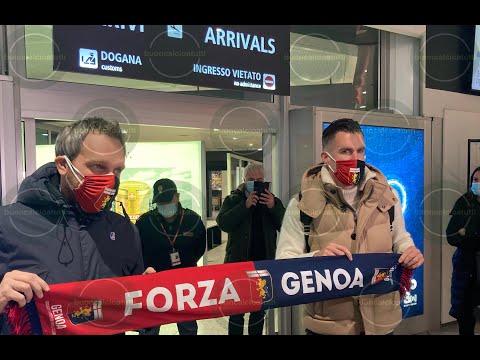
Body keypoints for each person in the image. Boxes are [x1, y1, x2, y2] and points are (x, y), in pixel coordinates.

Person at [0, 117, 154, 333]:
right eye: (98, 166)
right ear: (63, 166)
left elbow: (134, 314)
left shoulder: (124, 230)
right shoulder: (8, 224)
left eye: (117, 170)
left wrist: (150, 299)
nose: (110, 179)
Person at [276, 118, 424, 335]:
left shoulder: (387, 195)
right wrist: (316, 257)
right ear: (326, 158)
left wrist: (409, 251)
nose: (356, 159)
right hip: (328, 325)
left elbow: (400, 237)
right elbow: (284, 262)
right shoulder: (301, 203)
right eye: (346, 151)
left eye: (360, 151)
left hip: (381, 323)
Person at [216, 163, 285, 335]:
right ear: (244, 180)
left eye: (260, 180)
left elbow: (285, 226)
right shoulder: (233, 199)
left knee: (258, 310)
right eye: (251, 180)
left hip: (263, 265)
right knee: (236, 312)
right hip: (238, 265)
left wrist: (273, 207)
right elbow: (223, 223)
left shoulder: (272, 201)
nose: (256, 183)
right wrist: (244, 206)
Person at [136, 178, 206, 335]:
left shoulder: (192, 220)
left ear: (177, 197)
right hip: (154, 284)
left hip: (184, 284)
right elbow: (137, 251)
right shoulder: (145, 222)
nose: (165, 206)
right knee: (149, 329)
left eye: (168, 200)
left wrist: (187, 264)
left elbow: (200, 248)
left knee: (188, 327)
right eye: (160, 202)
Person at [446, 166, 480, 335]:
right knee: (465, 314)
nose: (477, 184)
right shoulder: (464, 201)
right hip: (466, 267)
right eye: (475, 180)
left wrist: (468, 235)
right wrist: (470, 239)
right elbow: (451, 235)